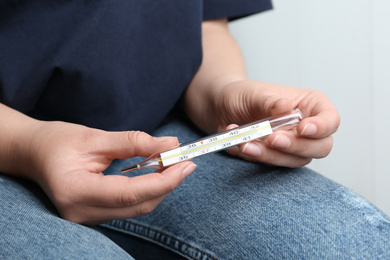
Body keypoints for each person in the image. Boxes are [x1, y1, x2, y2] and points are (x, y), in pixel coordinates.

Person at [1, 1, 389, 259]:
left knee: (358, 245)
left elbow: (203, 20)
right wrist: (28, 143)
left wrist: (222, 90)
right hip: (11, 147)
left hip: (156, 127)